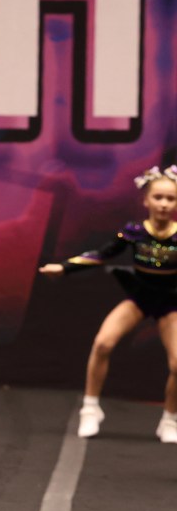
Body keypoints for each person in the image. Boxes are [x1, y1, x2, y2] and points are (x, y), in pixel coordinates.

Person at [39, 165, 177, 443]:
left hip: (170, 303)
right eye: (158, 197)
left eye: (170, 198)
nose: (164, 204)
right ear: (146, 200)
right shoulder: (134, 232)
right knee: (103, 343)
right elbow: (102, 255)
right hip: (139, 298)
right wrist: (64, 267)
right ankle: (90, 409)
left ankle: (170, 419)